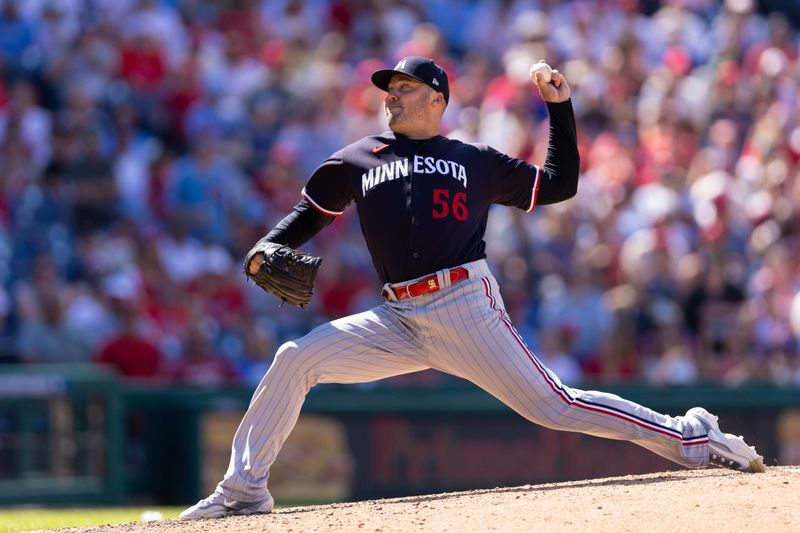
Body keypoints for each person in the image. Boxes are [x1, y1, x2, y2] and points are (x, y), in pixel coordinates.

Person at [180, 56, 764, 519]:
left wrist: (559, 110)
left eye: (407, 87)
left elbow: (558, 185)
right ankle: (244, 490)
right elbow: (309, 214)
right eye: (390, 88)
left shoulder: (473, 159)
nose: (393, 95)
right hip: (397, 318)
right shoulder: (357, 158)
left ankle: (691, 435)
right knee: (294, 359)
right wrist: (266, 246)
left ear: (438, 98)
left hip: (463, 304)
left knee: (554, 406)